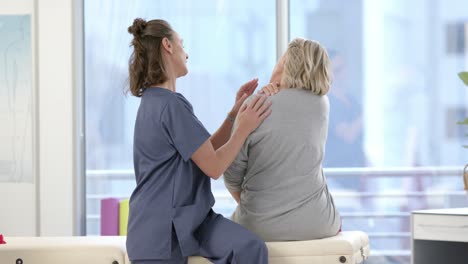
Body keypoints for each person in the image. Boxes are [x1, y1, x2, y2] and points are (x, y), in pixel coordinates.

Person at [125, 18, 271, 264]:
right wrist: (244, 128)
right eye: (182, 43)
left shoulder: (157, 101)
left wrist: (234, 116)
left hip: (188, 221)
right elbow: (214, 167)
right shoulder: (169, 105)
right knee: (250, 248)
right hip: (159, 234)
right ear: (167, 46)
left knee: (250, 248)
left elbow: (204, 152)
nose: (187, 52)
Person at [224, 38, 341, 242]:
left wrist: (266, 214)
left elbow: (231, 177)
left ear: (286, 64)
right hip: (319, 223)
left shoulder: (254, 105)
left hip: (259, 226)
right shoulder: (322, 105)